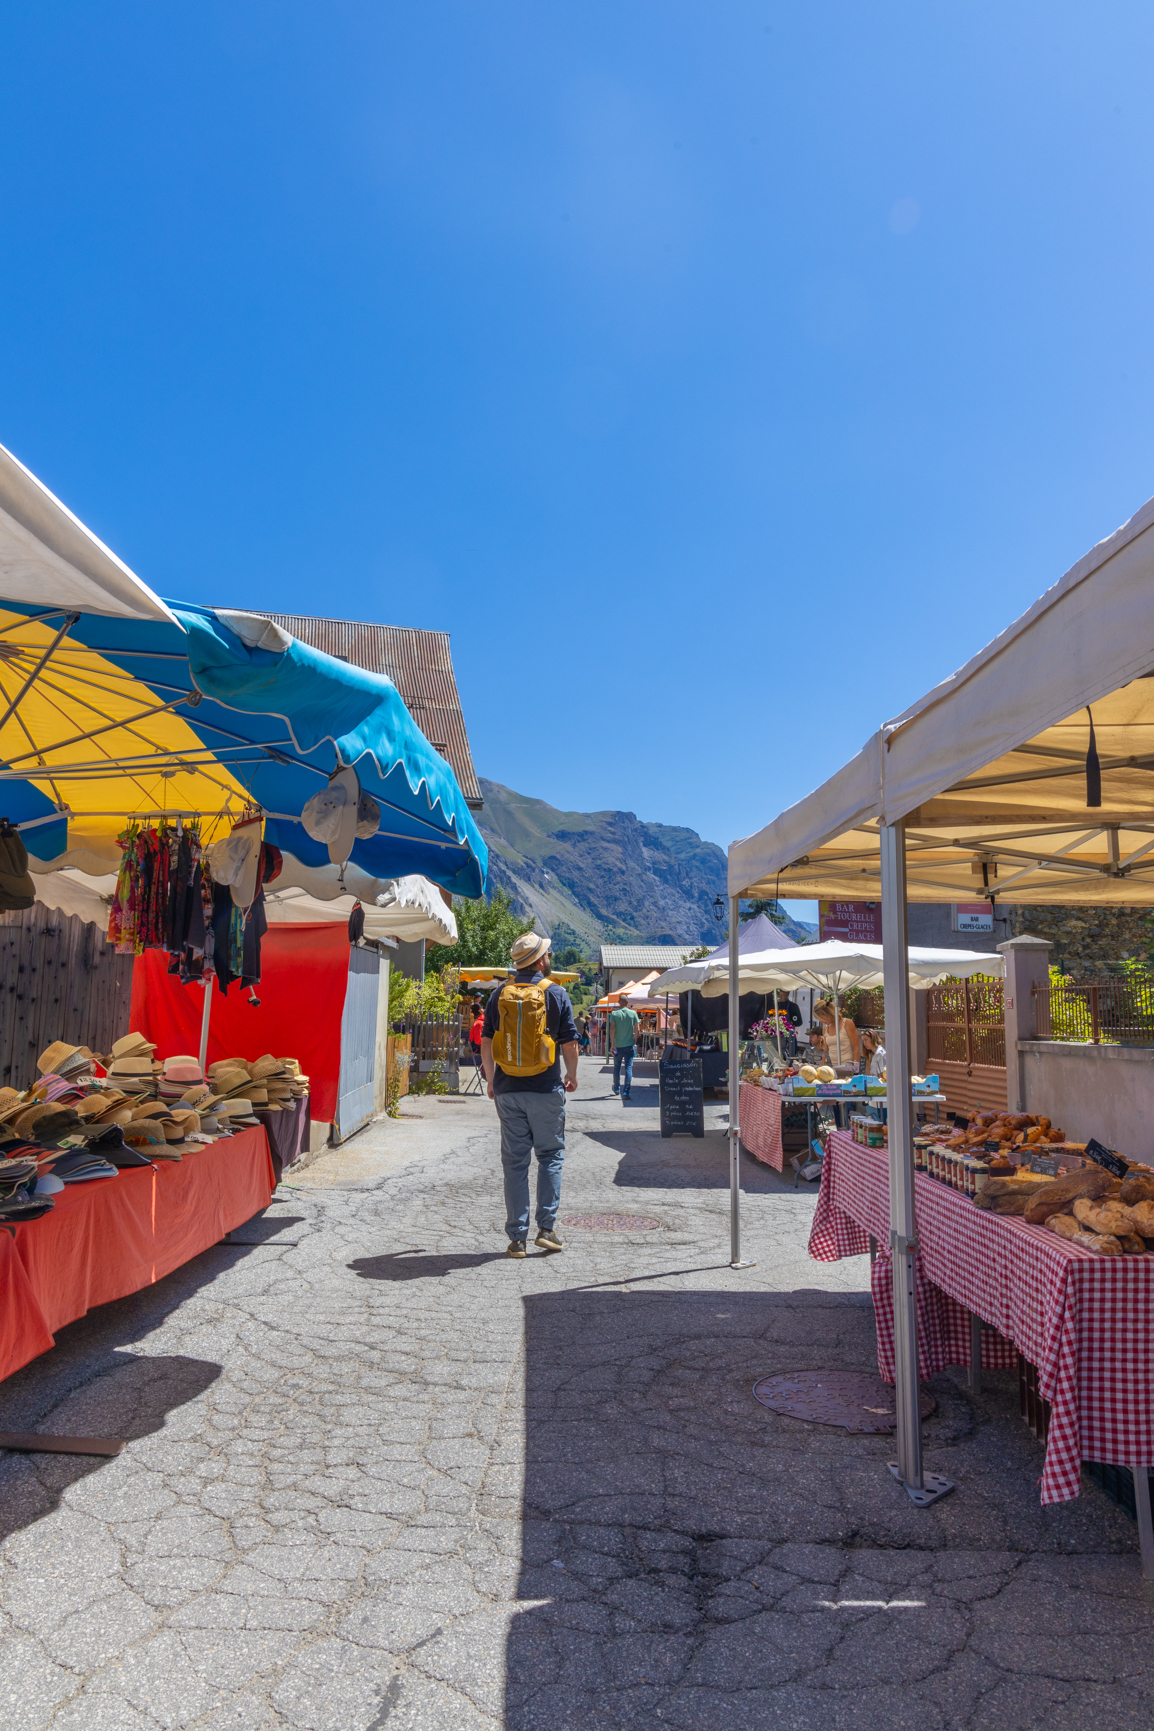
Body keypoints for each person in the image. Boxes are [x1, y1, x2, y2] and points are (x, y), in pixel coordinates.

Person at [481, 932, 579, 1259]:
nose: (550, 957)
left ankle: (516, 1239)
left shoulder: (498, 995)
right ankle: (546, 1229)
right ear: (539, 960)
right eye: (548, 953)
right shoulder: (557, 994)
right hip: (546, 1089)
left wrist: (492, 1080)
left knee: (515, 1164)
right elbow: (569, 1044)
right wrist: (571, 1074)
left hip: (509, 1091)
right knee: (550, 1156)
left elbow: (485, 1042)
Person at [608, 994, 641, 1099]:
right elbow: (637, 1029)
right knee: (628, 1068)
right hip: (629, 1045)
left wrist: (612, 1044)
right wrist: (634, 1040)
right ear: (627, 1003)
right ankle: (626, 1091)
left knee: (617, 1067)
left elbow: (612, 1029)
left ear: (618, 1002)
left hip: (617, 1045)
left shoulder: (614, 1013)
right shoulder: (633, 1013)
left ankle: (616, 1088)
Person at [813, 996, 859, 1069]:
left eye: (821, 1018)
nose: (821, 1021)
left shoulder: (847, 1023)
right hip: (832, 1069)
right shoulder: (825, 1029)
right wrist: (822, 1068)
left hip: (847, 1068)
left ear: (828, 1013)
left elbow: (856, 1049)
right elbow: (826, 1052)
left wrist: (855, 1070)